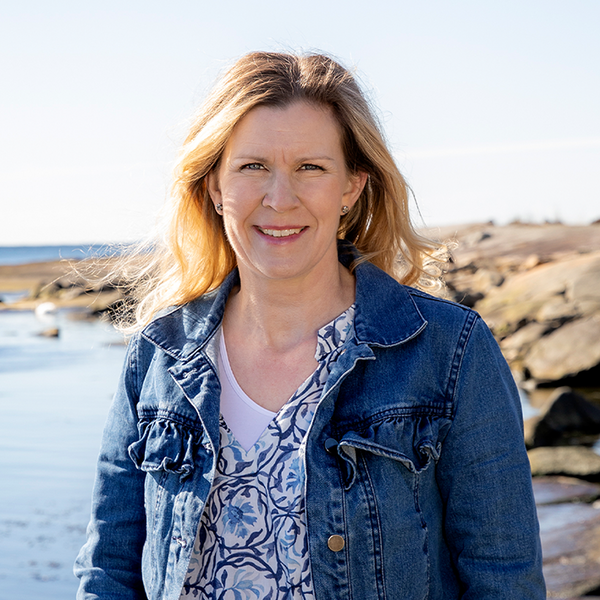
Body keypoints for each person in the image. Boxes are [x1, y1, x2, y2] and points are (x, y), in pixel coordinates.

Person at [75, 51, 545, 599]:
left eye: (311, 168)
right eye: (253, 167)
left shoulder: (449, 352)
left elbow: (505, 579)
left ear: (352, 186)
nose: (280, 199)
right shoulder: (158, 356)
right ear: (214, 187)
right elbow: (108, 572)